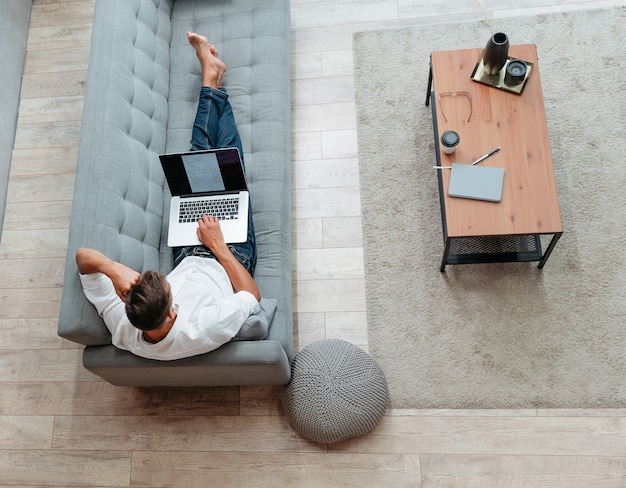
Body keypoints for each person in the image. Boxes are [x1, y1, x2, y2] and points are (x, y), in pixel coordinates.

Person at [76, 32, 262, 360]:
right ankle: (212, 79)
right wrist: (218, 246)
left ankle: (212, 78)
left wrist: (113, 269)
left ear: (127, 302)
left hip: (187, 248)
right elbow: (251, 296)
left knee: (195, 162)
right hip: (229, 256)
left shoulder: (126, 326)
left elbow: (83, 258)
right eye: (166, 285)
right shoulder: (204, 328)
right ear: (172, 313)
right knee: (228, 165)